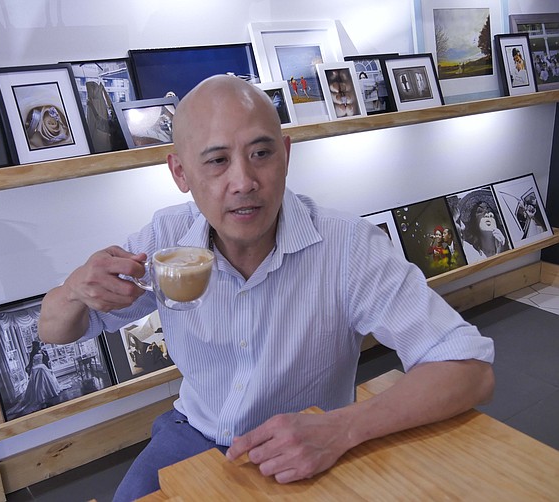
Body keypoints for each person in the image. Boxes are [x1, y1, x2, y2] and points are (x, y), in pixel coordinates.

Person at [38, 75, 494, 501]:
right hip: (191, 433)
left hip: (307, 442)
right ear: (180, 173)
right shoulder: (164, 242)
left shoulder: (348, 247)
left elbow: (469, 368)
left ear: (287, 154)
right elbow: (54, 330)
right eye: (217, 161)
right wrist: (76, 290)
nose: (244, 182)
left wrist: (343, 427)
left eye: (261, 153)